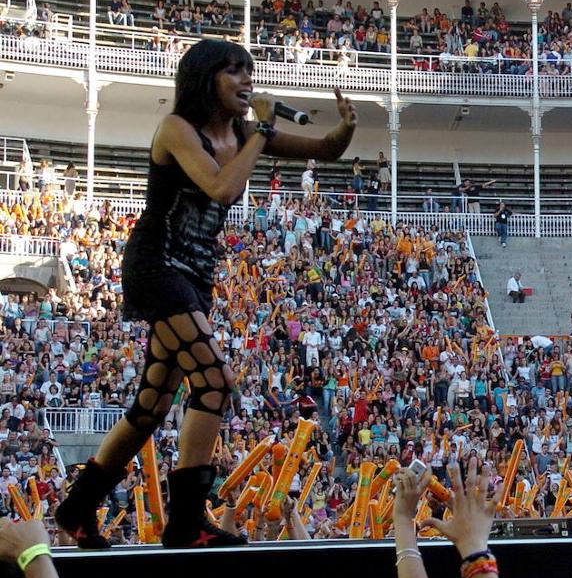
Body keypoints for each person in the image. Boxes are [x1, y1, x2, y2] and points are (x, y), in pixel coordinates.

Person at [54, 39, 357, 549]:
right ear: (204, 78)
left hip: (194, 273)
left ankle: (77, 507)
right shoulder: (178, 129)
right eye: (234, 72)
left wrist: (345, 128)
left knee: (150, 405)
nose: (246, 82)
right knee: (214, 382)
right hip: (156, 265)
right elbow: (221, 188)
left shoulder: (241, 130)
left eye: (249, 72)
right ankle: (187, 521)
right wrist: (260, 131)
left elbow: (324, 150)